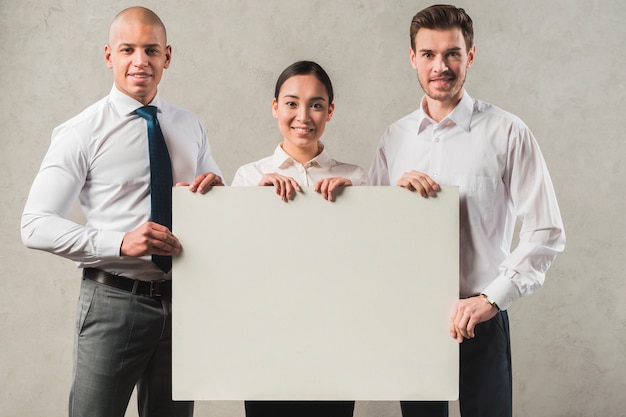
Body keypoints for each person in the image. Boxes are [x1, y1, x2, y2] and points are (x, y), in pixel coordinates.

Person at [21, 6, 223, 417]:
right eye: (127, 49)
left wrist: (216, 195)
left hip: (185, 305)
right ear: (109, 55)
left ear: (167, 56)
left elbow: (215, 212)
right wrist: (121, 242)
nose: (140, 61)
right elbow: (34, 225)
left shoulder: (189, 126)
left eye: (151, 50)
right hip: (113, 302)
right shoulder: (81, 131)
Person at [368, 5, 565, 417]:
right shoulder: (394, 139)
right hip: (415, 319)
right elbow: (372, 236)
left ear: (470, 55)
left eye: (452, 53)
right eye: (428, 54)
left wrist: (491, 300)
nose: (440, 66)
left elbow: (546, 231)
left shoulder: (508, 132)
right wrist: (394, 203)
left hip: (484, 315)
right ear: (412, 58)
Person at [232, 60, 366, 417]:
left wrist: (359, 206)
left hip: (335, 342)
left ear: (330, 111)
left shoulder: (355, 179)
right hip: (267, 341)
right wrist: (252, 206)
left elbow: (368, 265)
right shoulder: (249, 177)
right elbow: (233, 265)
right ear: (275, 107)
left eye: (316, 104)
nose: (303, 115)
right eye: (291, 103)